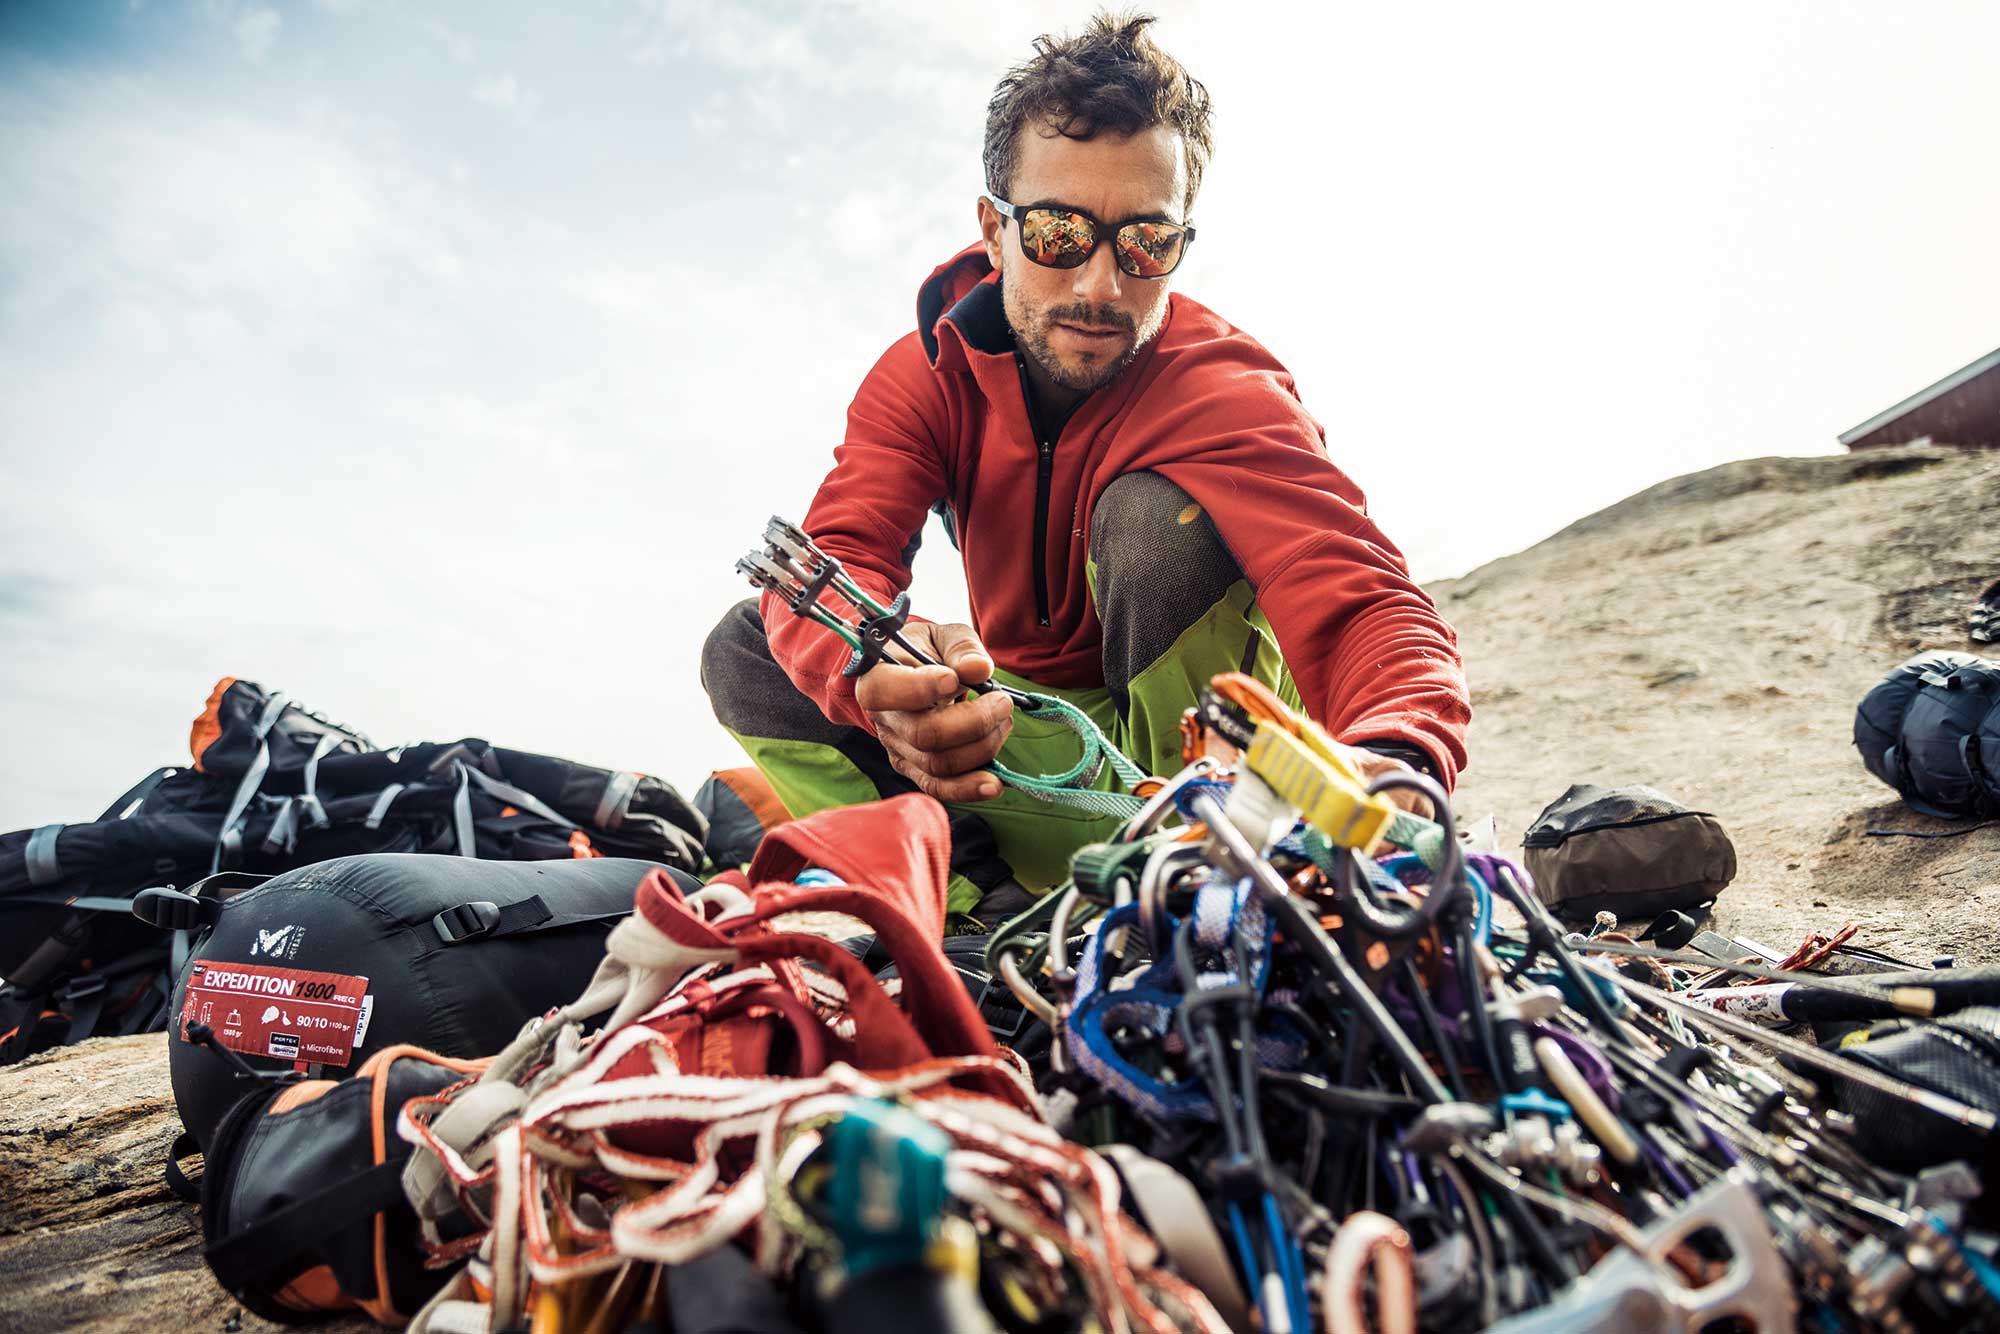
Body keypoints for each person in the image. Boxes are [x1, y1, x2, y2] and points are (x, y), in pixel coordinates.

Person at [704, 11, 1470, 923]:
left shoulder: (1227, 390)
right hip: (1030, 755)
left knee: (1153, 519)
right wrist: (879, 682)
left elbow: (1362, 596)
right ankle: (962, 914)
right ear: (994, 230)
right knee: (751, 645)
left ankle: (1187, 880)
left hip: (1218, 776)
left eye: (1146, 241)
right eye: (1059, 233)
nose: (1101, 285)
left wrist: (1397, 762)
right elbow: (841, 553)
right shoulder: (924, 377)